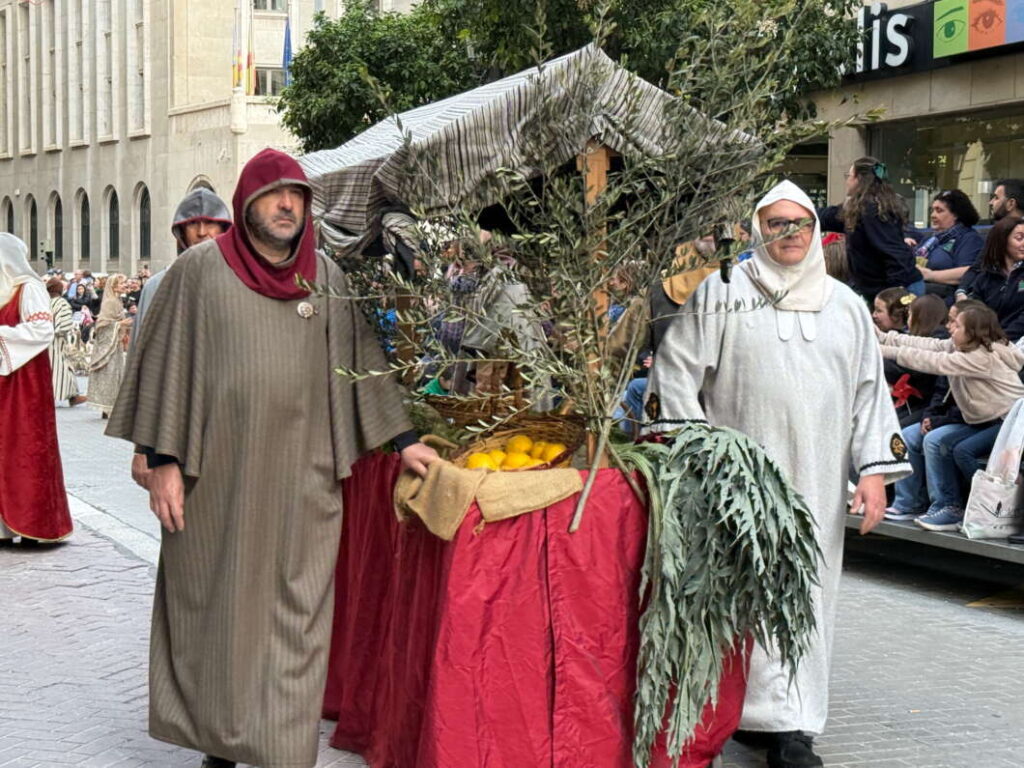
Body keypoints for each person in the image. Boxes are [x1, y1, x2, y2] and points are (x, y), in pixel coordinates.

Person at [105, 148, 438, 768]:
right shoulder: (200, 273)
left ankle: (283, 748)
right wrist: (162, 461)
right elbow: (163, 364)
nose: (288, 205)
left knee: (298, 613)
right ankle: (221, 743)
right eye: (274, 194)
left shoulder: (327, 279)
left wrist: (403, 439)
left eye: (298, 195)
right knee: (219, 610)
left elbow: (363, 365)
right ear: (246, 203)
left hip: (304, 482)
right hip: (217, 480)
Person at [643, 181, 909, 768]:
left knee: (810, 596)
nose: (790, 234)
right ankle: (730, 714)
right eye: (776, 223)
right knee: (735, 595)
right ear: (757, 229)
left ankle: (792, 725)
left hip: (816, 482)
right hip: (735, 482)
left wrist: (872, 473)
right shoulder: (723, 292)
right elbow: (676, 374)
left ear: (817, 229)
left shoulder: (844, 306)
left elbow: (870, 393)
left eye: (801, 223)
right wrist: (695, 455)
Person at [879, 302, 1024, 531]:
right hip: (986, 419)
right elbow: (926, 345)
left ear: (972, 332)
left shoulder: (980, 357)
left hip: (1010, 422)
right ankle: (951, 506)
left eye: (956, 324)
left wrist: (880, 349)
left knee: (961, 449)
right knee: (940, 442)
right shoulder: (964, 348)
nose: (949, 328)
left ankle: (986, 501)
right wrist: (884, 338)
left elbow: (932, 361)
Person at [128, 187, 233, 490]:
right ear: (180, 233)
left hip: (230, 418)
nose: (202, 233)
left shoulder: (244, 281)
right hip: (176, 423)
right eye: (192, 224)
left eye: (211, 223)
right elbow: (143, 366)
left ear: (225, 229)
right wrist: (141, 448)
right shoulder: (158, 286)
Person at [0, 234, 74, 542]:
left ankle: (34, 525)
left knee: (26, 446)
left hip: (25, 383)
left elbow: (43, 329)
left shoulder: (28, 289)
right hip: (5, 380)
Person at [819, 156, 922, 302]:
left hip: (896, 291)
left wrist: (892, 297)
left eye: (849, 176)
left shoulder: (873, 211)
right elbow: (828, 217)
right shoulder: (859, 210)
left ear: (858, 179)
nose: (847, 181)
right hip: (879, 290)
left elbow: (894, 254)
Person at [956, 215, 1024, 341]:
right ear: (1002, 240)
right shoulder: (985, 277)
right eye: (1019, 238)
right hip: (987, 341)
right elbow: (977, 313)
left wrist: (1002, 339)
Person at [911, 189, 983, 296]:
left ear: (956, 214)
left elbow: (969, 272)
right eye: (932, 210)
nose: (933, 215)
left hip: (945, 300)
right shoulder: (930, 240)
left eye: (939, 211)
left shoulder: (969, 239)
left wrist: (930, 275)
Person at [86, 273, 132, 417]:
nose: (125, 285)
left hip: (115, 344)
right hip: (108, 346)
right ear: (114, 286)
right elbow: (102, 325)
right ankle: (108, 407)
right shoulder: (110, 302)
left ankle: (111, 406)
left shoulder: (117, 301)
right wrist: (121, 324)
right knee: (110, 373)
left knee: (116, 373)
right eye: (122, 283)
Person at [46, 277, 85, 406]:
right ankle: (72, 397)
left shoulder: (44, 302)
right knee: (61, 368)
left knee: (54, 368)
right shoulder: (62, 303)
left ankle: (73, 396)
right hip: (56, 341)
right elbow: (64, 325)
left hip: (44, 340)